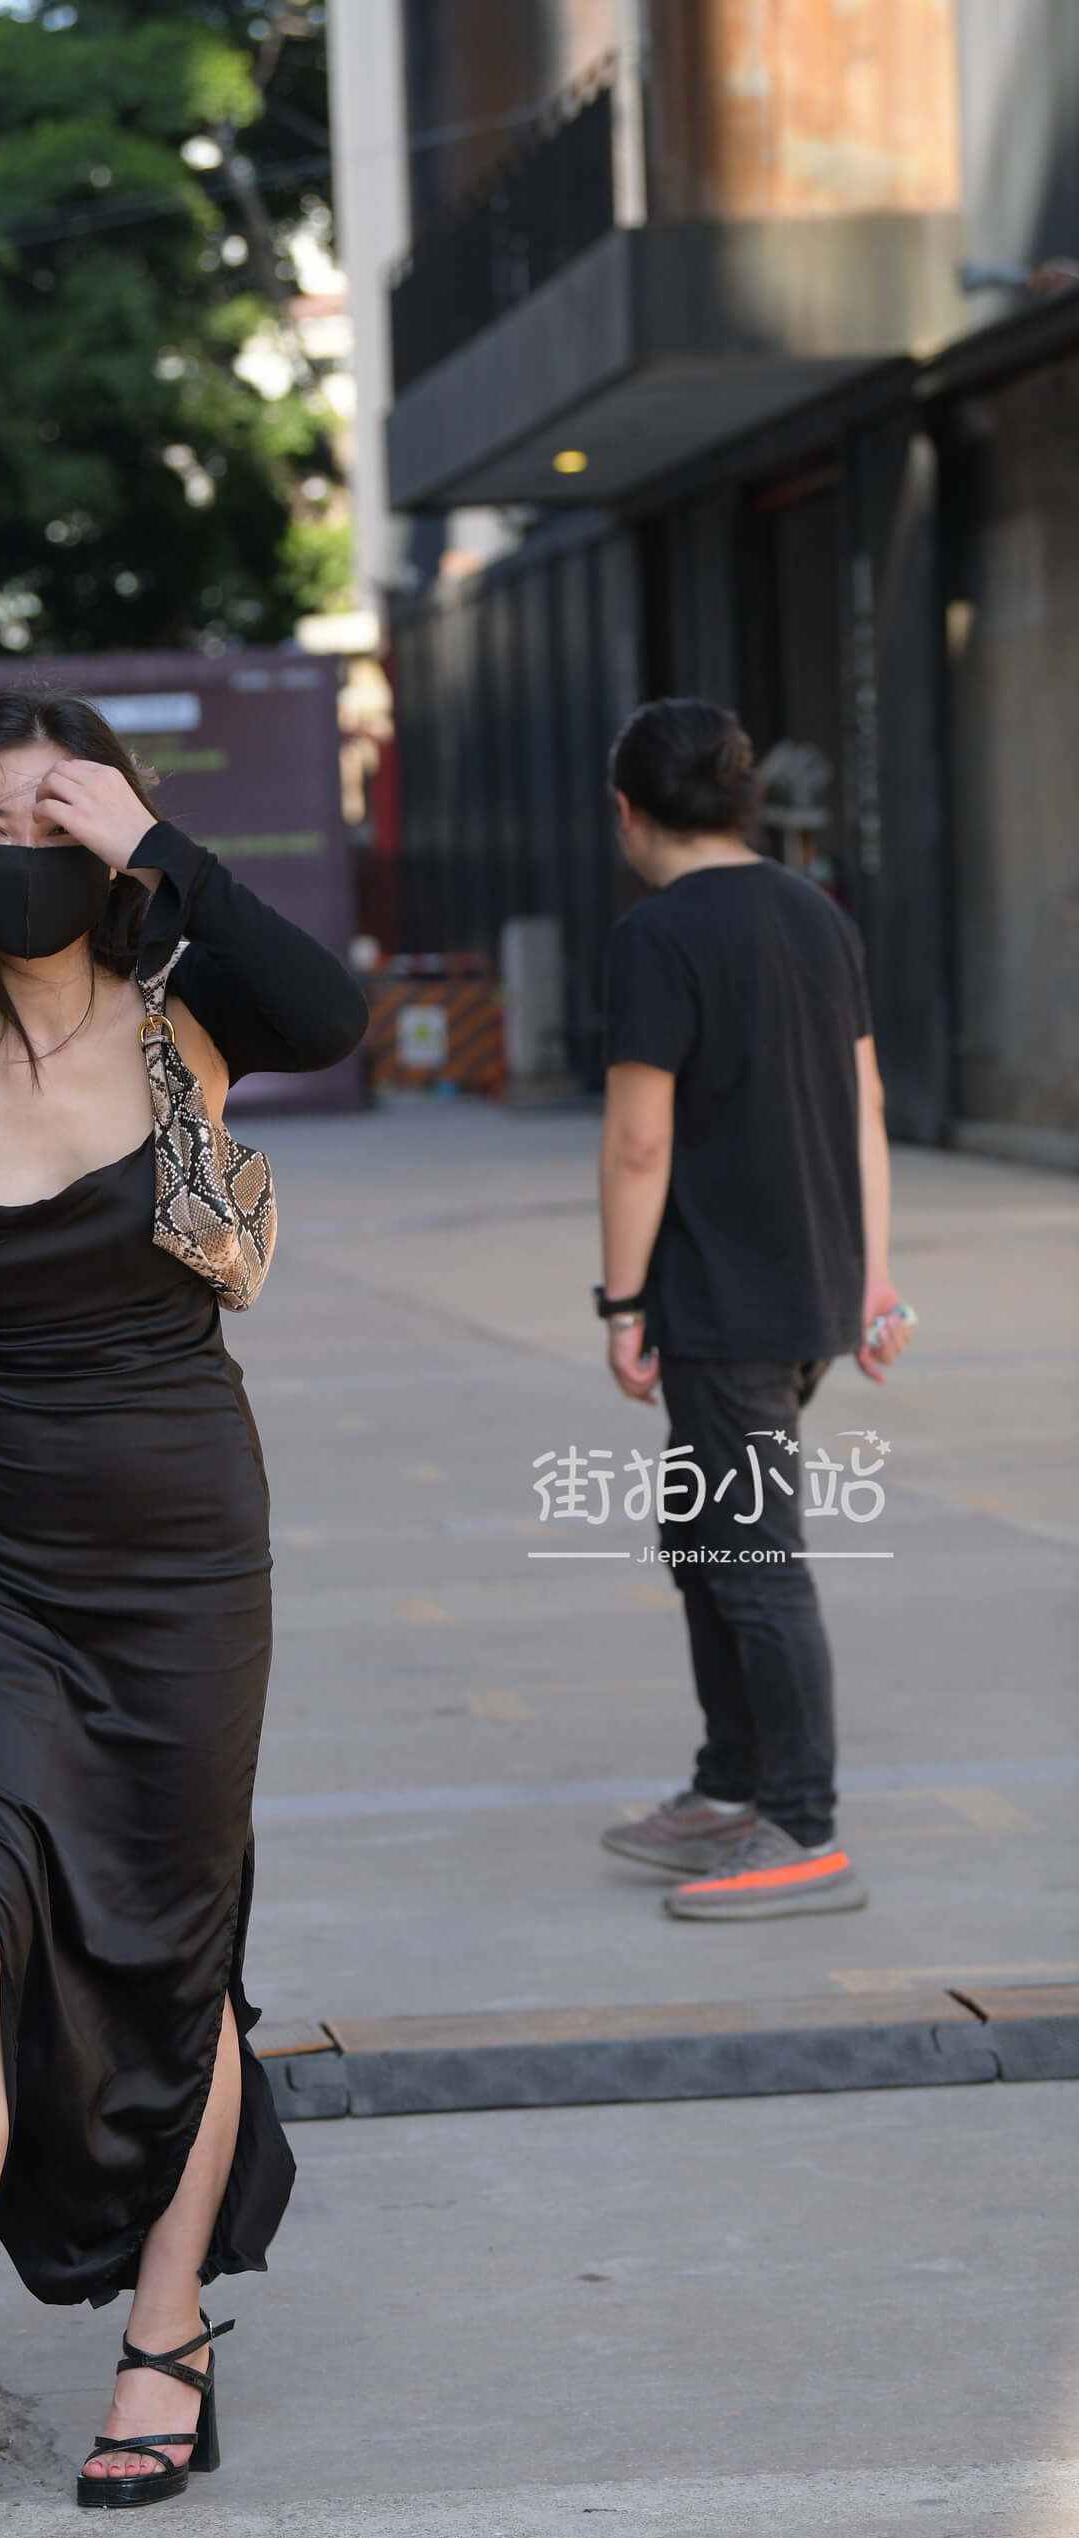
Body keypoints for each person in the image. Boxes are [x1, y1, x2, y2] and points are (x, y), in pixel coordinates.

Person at [0, 689, 366, 2537]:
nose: (25, 858)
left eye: (61, 824)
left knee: (170, 1946)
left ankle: (167, 2330)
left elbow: (333, 1015)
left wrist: (151, 848)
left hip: (182, 1537)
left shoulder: (189, 1008)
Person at [595, 697, 913, 1922]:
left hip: (722, 1303)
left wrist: (621, 1300)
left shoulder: (654, 936)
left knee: (752, 1561)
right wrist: (869, 1274)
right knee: (705, 1541)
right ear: (742, 801)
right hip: (806, 1286)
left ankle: (802, 1829)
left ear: (626, 810)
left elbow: (638, 1142)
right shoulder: (815, 915)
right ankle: (731, 1784)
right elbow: (864, 1103)